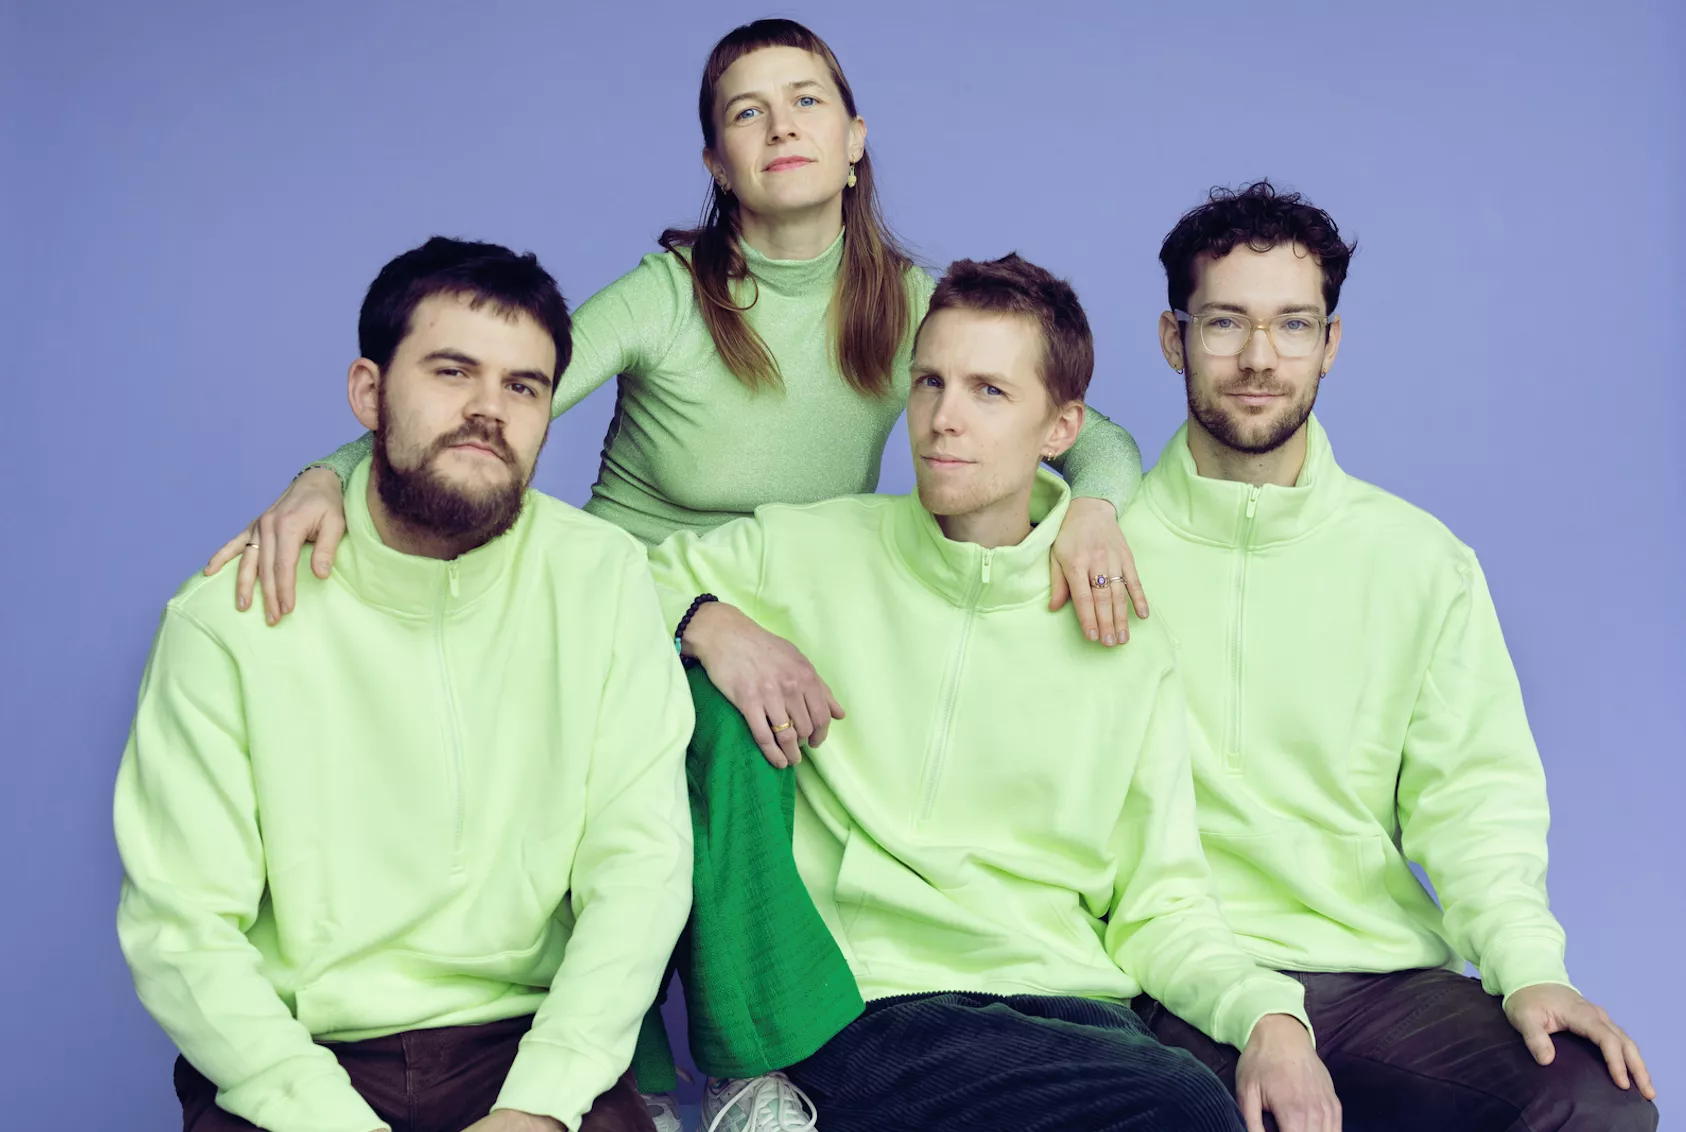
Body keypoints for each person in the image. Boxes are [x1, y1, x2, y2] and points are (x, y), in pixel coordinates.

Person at [201, 19, 1154, 1129]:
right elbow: (489, 404)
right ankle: (682, 1077)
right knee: (708, 726)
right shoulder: (666, 295)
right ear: (716, 162)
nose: (780, 126)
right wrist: (324, 477)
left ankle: (781, 1045)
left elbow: (1093, 435)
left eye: (806, 101)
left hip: (791, 606)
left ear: (855, 139)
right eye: (747, 111)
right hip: (633, 600)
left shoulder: (907, 301)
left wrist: (1094, 511)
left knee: (794, 733)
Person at [651, 253, 1343, 1132]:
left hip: (1069, 1011)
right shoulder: (806, 549)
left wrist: (1271, 1020)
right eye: (929, 382)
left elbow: (1163, 900)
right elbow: (607, 587)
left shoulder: (1126, 643)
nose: (944, 418)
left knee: (1182, 1100)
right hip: (862, 1002)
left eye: (988, 392)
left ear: (1061, 428)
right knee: (1181, 1107)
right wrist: (710, 621)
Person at [115, 237, 693, 1132]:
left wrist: (542, 1102)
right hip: (297, 1062)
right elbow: (182, 929)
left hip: (527, 1047)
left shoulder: (602, 579)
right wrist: (320, 1114)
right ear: (368, 393)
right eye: (452, 372)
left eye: (523, 387)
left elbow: (642, 868)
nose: (488, 410)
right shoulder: (225, 620)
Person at [1122, 181, 1659, 1131]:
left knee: (1595, 1105)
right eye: (1225, 323)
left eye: (1293, 325)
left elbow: (1473, 796)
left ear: (1330, 344)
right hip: (1170, 973)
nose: (1259, 359)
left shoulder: (1420, 560)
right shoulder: (1102, 548)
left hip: (1374, 979)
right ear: (1174, 339)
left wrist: (1531, 967)